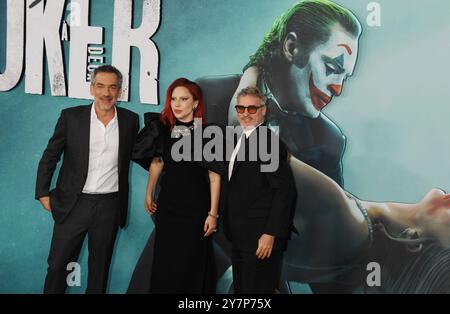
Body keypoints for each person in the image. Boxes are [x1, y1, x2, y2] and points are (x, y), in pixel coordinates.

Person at [35, 65, 140, 293]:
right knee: (57, 267)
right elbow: (51, 155)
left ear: (120, 92)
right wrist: (42, 191)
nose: (106, 93)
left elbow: (141, 153)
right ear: (92, 89)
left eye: (113, 87)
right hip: (74, 204)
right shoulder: (71, 117)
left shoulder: (131, 120)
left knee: (99, 270)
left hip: (109, 206)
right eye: (100, 86)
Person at [128, 78, 222, 294]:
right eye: (173, 99)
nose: (177, 104)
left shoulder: (207, 134)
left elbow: (214, 175)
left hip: (196, 210)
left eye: (184, 99)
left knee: (192, 265)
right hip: (168, 208)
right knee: (165, 264)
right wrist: (149, 193)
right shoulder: (164, 130)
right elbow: (157, 162)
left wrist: (213, 214)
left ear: (196, 103)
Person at [224, 86, 297, 293]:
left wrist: (270, 233)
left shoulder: (267, 141)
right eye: (241, 108)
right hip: (240, 235)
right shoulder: (239, 139)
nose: (245, 113)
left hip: (260, 238)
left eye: (252, 108)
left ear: (263, 110)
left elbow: (284, 191)